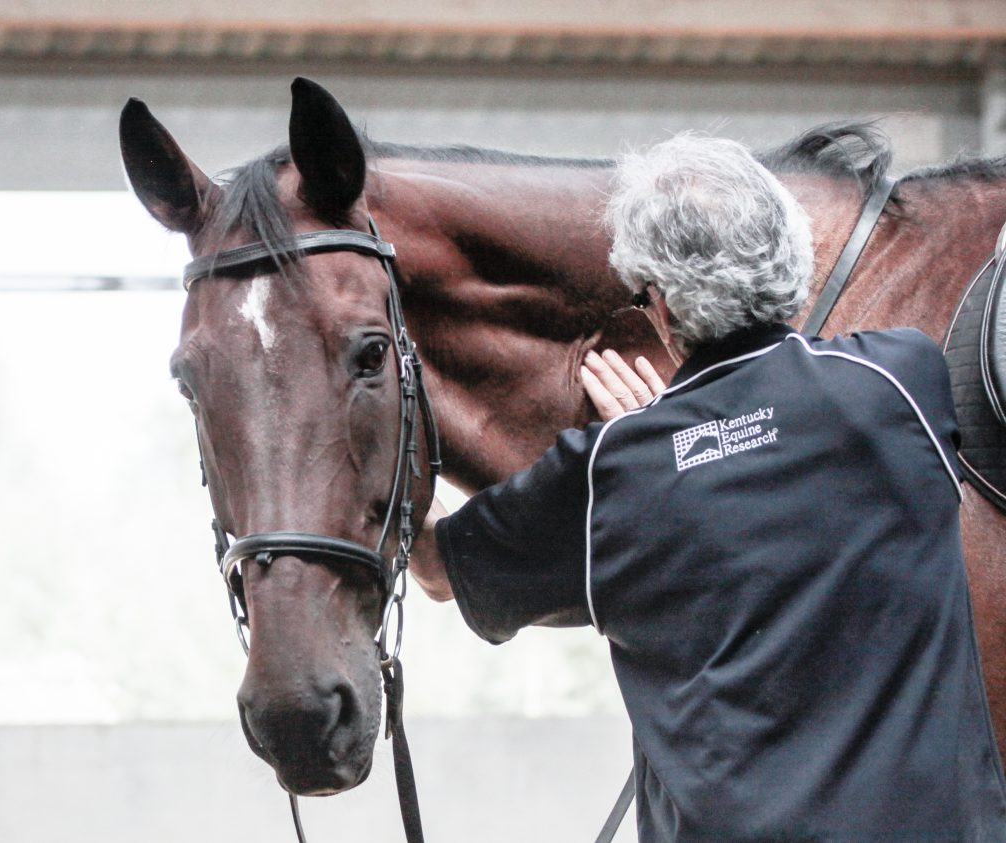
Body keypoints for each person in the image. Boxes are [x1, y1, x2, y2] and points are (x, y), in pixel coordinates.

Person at [410, 135, 1006, 842]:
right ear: (791, 256)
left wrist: (656, 442)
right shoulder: (903, 377)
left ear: (660, 305)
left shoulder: (613, 473)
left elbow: (438, 566)